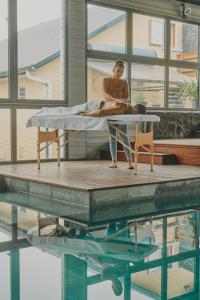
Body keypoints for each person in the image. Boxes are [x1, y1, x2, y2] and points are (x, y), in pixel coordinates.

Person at [102, 60, 140, 169]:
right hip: (110, 109)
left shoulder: (124, 83)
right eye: (118, 71)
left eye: (121, 72)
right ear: (113, 70)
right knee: (112, 137)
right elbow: (105, 95)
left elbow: (127, 96)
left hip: (121, 110)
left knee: (124, 137)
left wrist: (122, 101)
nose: (119, 73)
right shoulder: (105, 80)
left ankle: (130, 162)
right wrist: (117, 100)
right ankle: (114, 162)